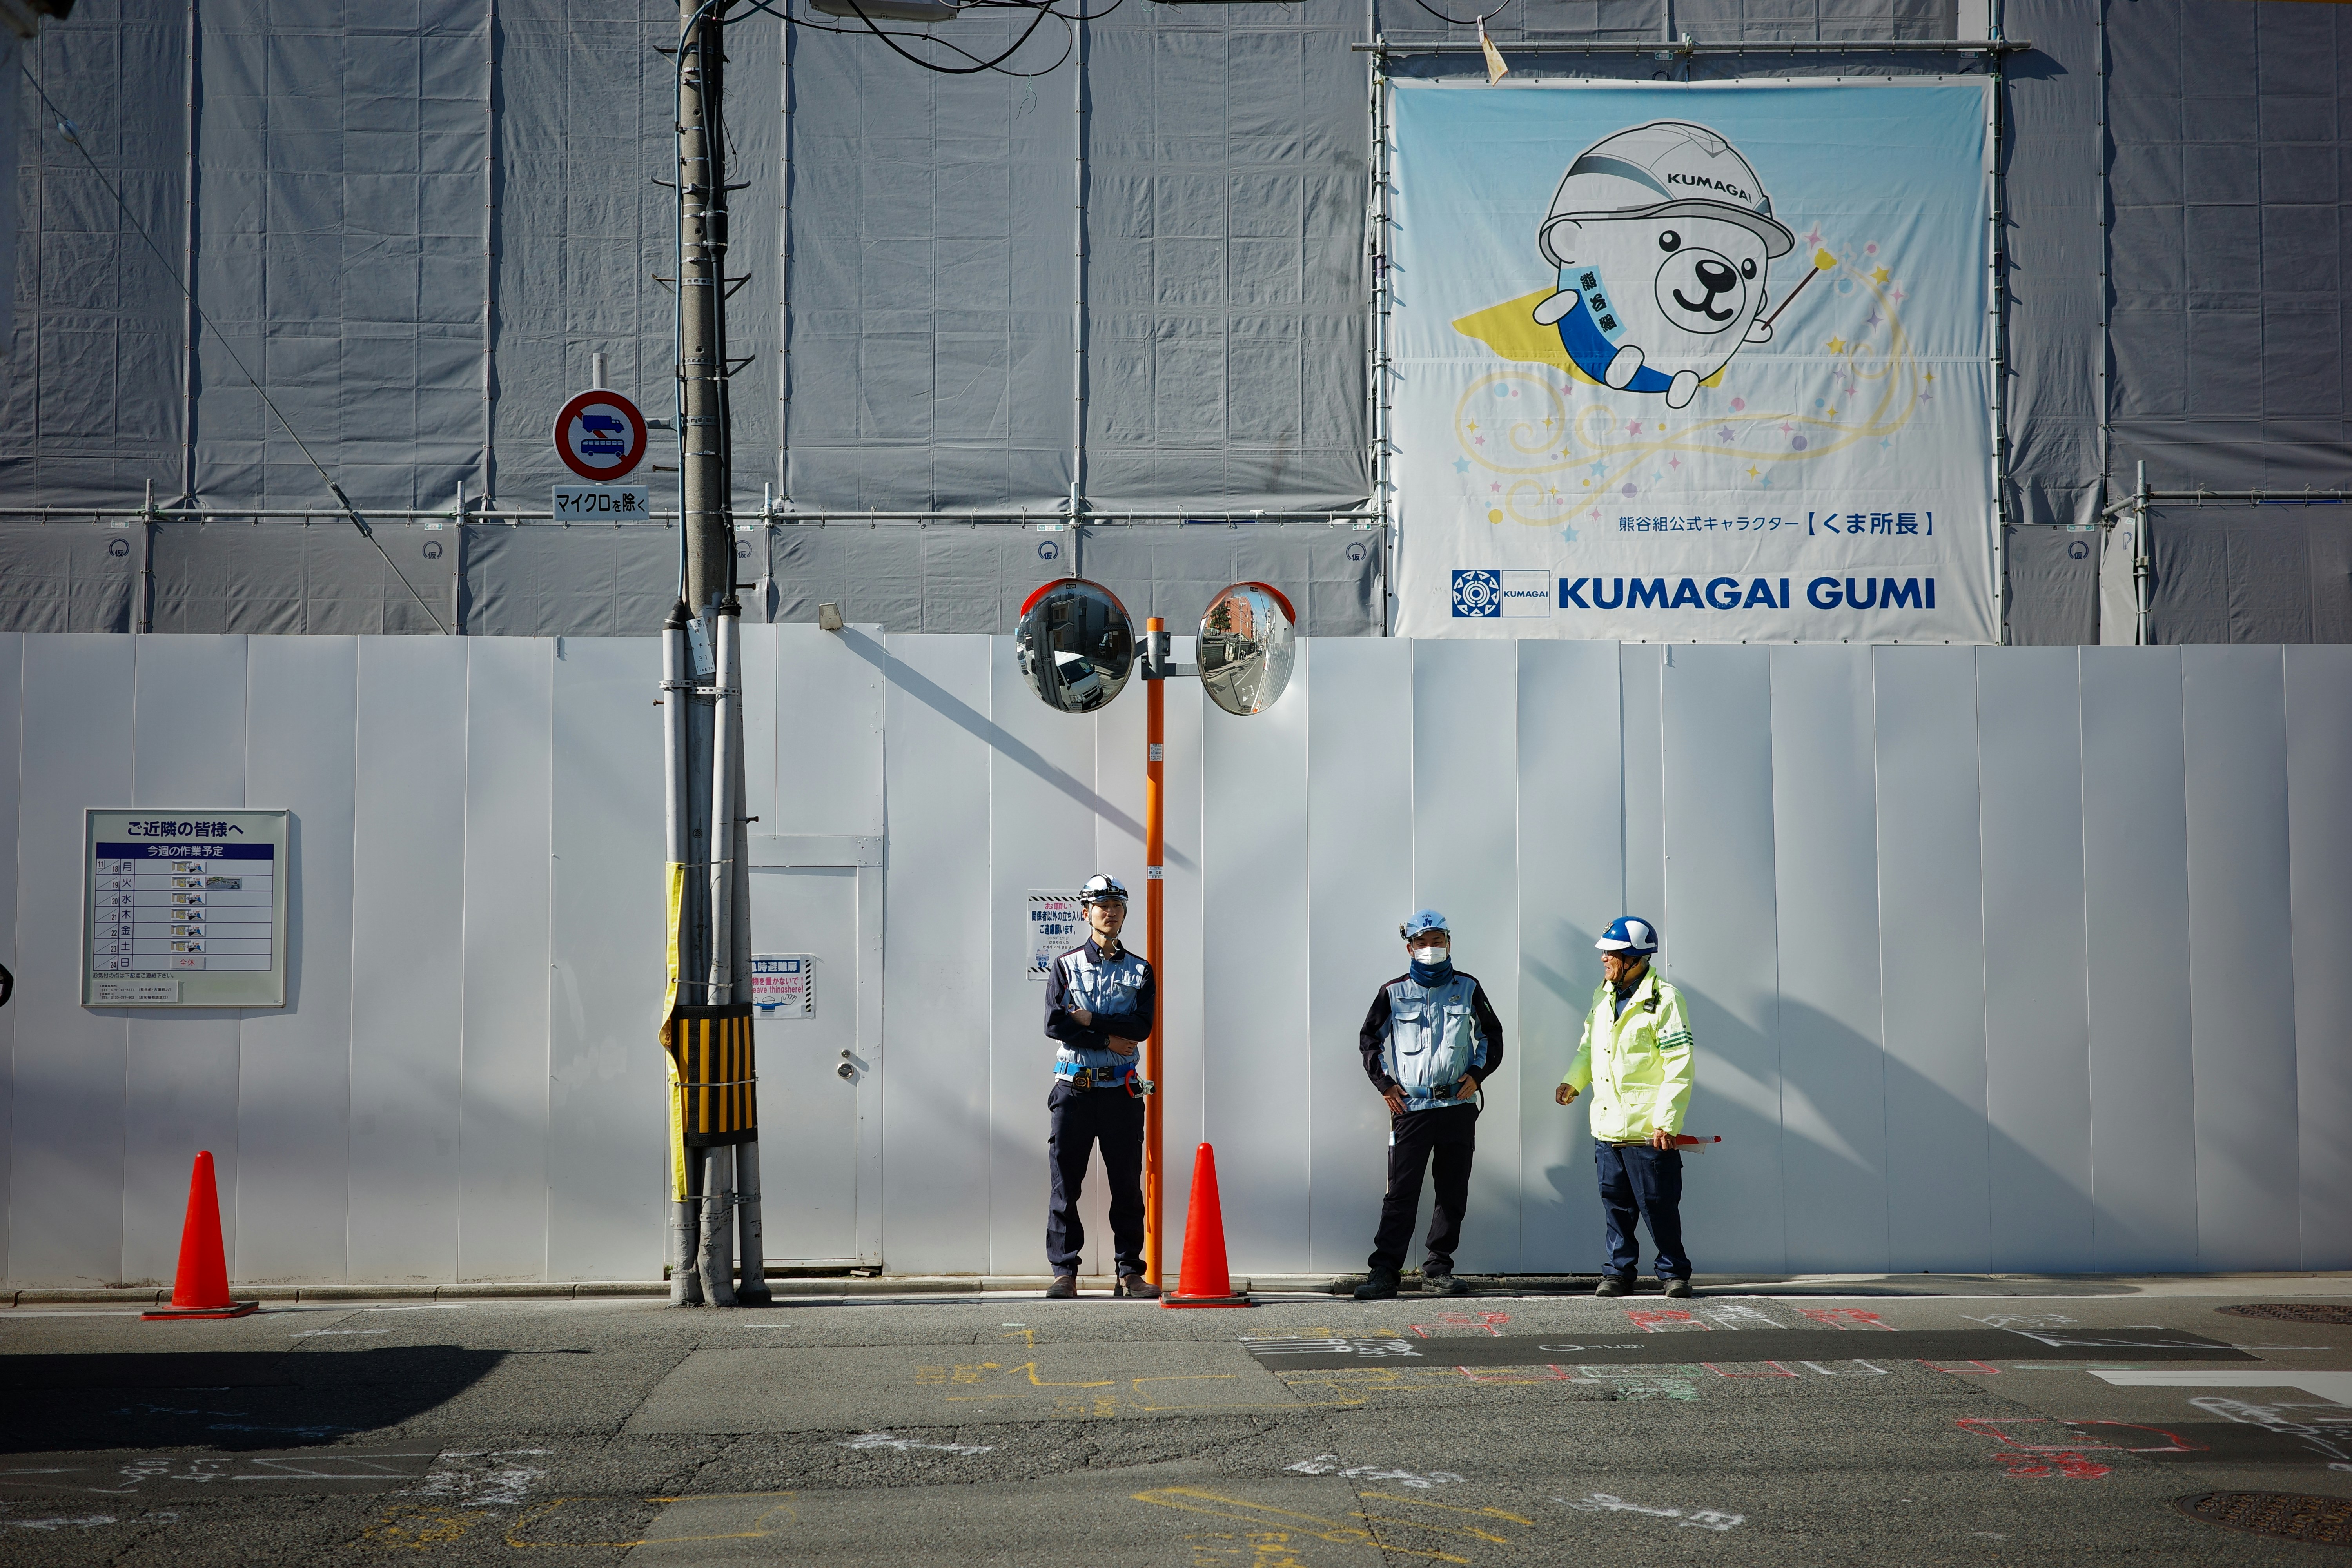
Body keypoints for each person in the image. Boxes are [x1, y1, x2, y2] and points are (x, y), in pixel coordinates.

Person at [1354, 910, 1505, 1301]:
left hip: (1457, 1106)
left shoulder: (1469, 988)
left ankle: (1438, 1268)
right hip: (1411, 1110)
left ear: (1449, 944)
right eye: (1423, 942)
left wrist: (1477, 1072)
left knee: (1452, 1192)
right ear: (1410, 948)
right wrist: (1385, 1084)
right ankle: (1385, 1271)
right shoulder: (1394, 992)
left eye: (1438, 941)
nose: (1431, 949)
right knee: (1401, 1192)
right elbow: (1370, 1039)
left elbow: (1492, 1034)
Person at [1555, 916, 1696, 1298]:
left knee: (1658, 1207)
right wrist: (1574, 1080)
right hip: (1608, 1128)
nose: (1604, 958)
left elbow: (1679, 1064)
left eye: (1611, 953)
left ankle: (1673, 1273)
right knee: (1616, 1207)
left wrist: (1667, 1122)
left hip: (1648, 1131)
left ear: (1634, 958)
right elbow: (1590, 1047)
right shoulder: (1603, 995)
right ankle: (1618, 1273)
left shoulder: (1665, 1000)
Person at [1042, 874, 1158, 1300]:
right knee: (1065, 1183)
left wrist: (1090, 1020)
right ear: (1086, 912)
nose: (1109, 912)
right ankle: (1064, 1272)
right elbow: (1056, 1023)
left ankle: (1130, 1272)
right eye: (1101, 905)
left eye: (1117, 906)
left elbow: (1141, 1027)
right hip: (1073, 1090)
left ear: (1125, 914)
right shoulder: (1065, 965)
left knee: (1127, 1184)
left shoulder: (1141, 970)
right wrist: (1109, 1038)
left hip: (1121, 1093)